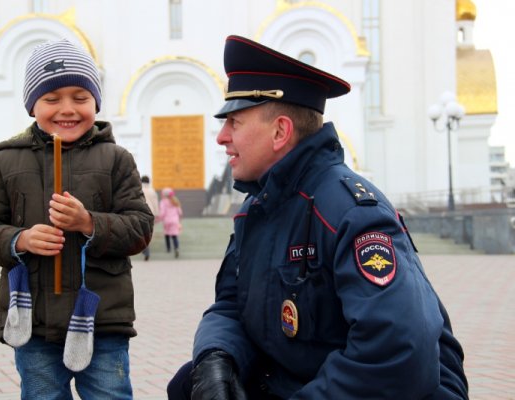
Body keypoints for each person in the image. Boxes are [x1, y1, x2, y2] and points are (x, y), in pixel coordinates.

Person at [167, 35, 468, 399]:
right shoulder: (258, 209)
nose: (221, 137)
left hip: (393, 389)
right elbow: (231, 305)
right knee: (192, 384)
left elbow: (397, 354)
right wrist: (217, 357)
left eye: (234, 122)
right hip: (305, 375)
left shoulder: (351, 213)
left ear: (280, 131)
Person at [0, 38, 153, 399]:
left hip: (102, 319)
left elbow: (141, 228)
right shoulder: (5, 162)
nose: (67, 109)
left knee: (110, 394)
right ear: (32, 104)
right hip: (33, 322)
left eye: (80, 98)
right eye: (52, 99)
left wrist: (89, 223)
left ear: (95, 103)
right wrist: (20, 240)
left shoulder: (116, 159)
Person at [158, 187, 183, 258]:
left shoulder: (162, 202)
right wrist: (179, 219)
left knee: (167, 235)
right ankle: (176, 248)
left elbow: (162, 213)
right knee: (175, 235)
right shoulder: (175, 200)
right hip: (175, 220)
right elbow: (180, 212)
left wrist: (158, 219)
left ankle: (168, 248)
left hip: (166, 221)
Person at [141, 175, 159, 260]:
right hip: (151, 213)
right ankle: (145, 250)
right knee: (148, 232)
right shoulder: (152, 191)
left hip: (141, 213)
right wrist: (157, 213)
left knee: (141, 232)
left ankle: (145, 250)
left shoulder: (139, 190)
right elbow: (155, 203)